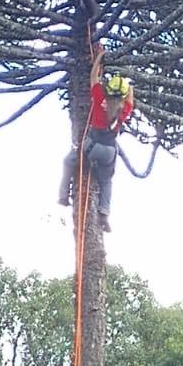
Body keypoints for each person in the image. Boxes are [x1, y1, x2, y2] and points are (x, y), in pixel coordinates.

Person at [58, 45, 135, 232]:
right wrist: (129, 82)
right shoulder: (124, 109)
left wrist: (99, 57)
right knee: (106, 181)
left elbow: (94, 78)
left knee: (68, 161)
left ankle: (62, 195)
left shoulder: (100, 95)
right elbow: (130, 98)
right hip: (108, 151)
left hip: (90, 146)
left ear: (108, 90)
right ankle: (104, 212)